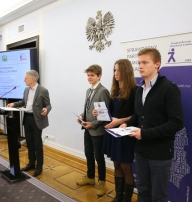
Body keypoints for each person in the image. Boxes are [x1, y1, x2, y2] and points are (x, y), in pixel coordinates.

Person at [121, 48, 184, 202]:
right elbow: (137, 115)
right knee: (142, 190)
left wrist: (144, 133)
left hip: (160, 153)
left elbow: (176, 122)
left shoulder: (169, 88)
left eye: (144, 62)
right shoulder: (139, 90)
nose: (140, 66)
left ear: (157, 64)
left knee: (158, 196)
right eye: (138, 62)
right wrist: (126, 124)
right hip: (141, 151)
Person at [94, 59, 137, 201]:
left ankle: (127, 199)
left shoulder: (135, 91)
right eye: (114, 70)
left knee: (126, 168)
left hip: (126, 135)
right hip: (113, 133)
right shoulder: (115, 90)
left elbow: (137, 115)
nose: (116, 73)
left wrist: (120, 121)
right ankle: (118, 197)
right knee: (116, 166)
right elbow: (110, 114)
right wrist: (100, 114)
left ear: (126, 71)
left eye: (118, 70)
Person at [7, 70, 51, 177]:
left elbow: (48, 105)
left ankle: (39, 167)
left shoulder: (43, 90)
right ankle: (31, 163)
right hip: (27, 118)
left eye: (26, 78)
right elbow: (23, 102)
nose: (24, 80)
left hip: (37, 119)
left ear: (32, 79)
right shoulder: (26, 89)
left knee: (37, 144)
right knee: (29, 143)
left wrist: (46, 110)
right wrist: (13, 104)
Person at [76, 65, 110, 197]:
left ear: (99, 76)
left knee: (99, 158)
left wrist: (93, 124)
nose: (89, 77)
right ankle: (90, 178)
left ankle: (102, 182)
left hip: (97, 131)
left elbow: (105, 115)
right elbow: (88, 108)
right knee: (88, 154)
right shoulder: (88, 91)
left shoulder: (103, 91)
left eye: (92, 75)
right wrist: (81, 117)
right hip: (87, 129)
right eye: (88, 75)